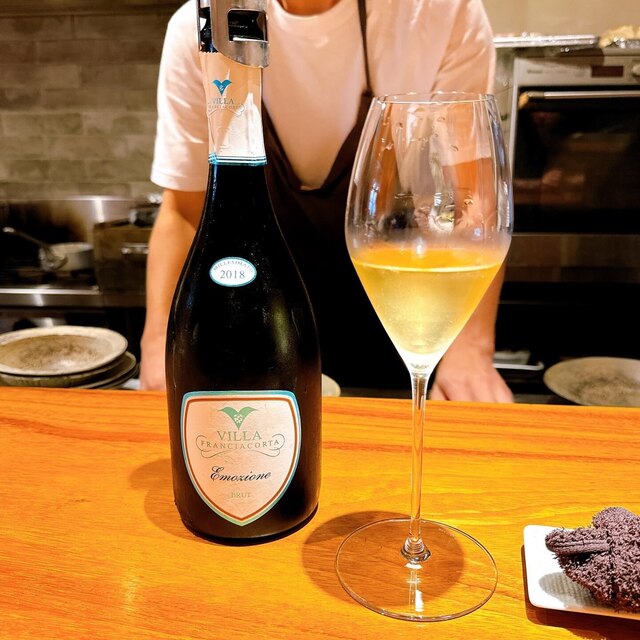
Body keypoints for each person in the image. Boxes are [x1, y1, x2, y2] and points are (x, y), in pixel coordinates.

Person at [140, 0, 513, 402]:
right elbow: (184, 212)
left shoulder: (441, 12)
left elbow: (475, 208)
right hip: (259, 317)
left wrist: (471, 349)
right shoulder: (207, 25)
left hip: (398, 312)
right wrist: (160, 341)